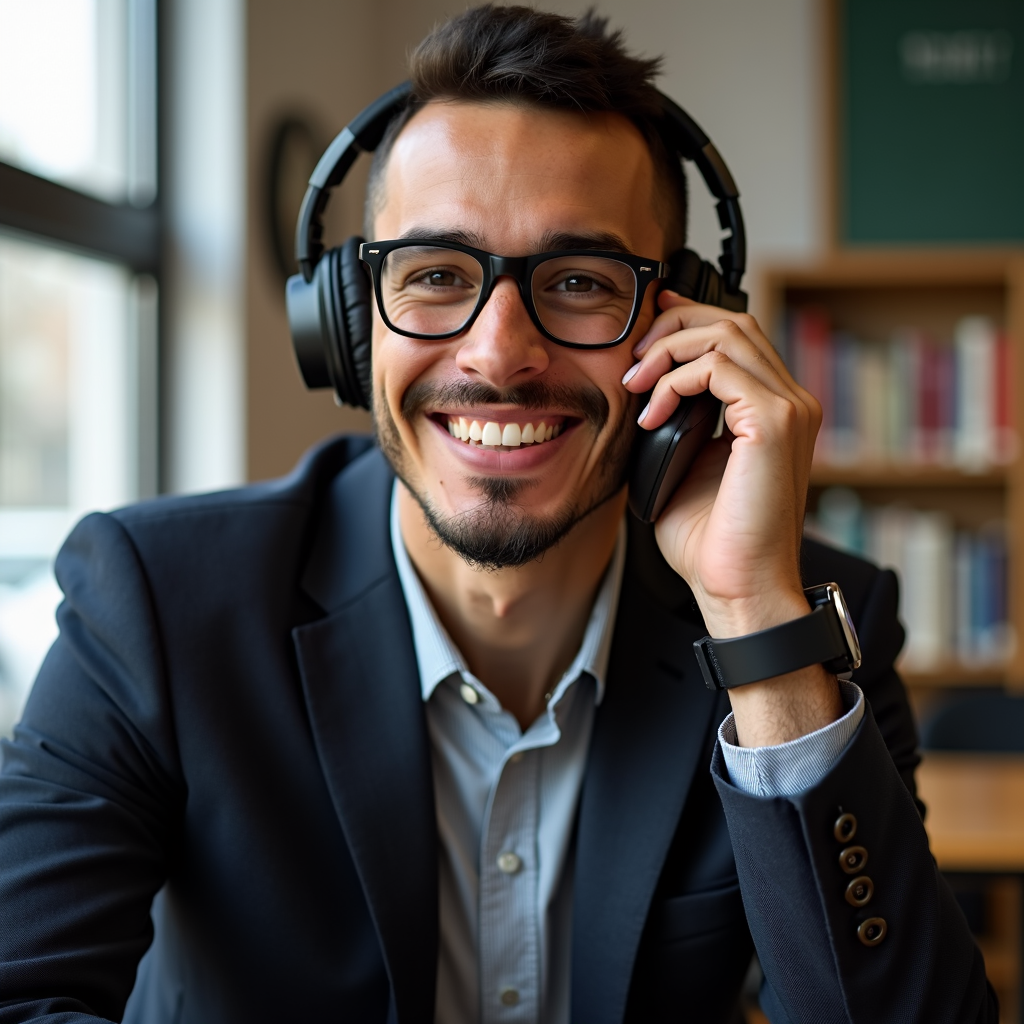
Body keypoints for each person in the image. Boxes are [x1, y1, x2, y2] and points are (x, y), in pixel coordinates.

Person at [0, 7, 996, 1023]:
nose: (498, 355)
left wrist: (754, 624)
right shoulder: (156, 604)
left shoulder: (806, 624)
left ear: (685, 325)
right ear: (345, 325)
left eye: (577, 282)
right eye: (435, 275)